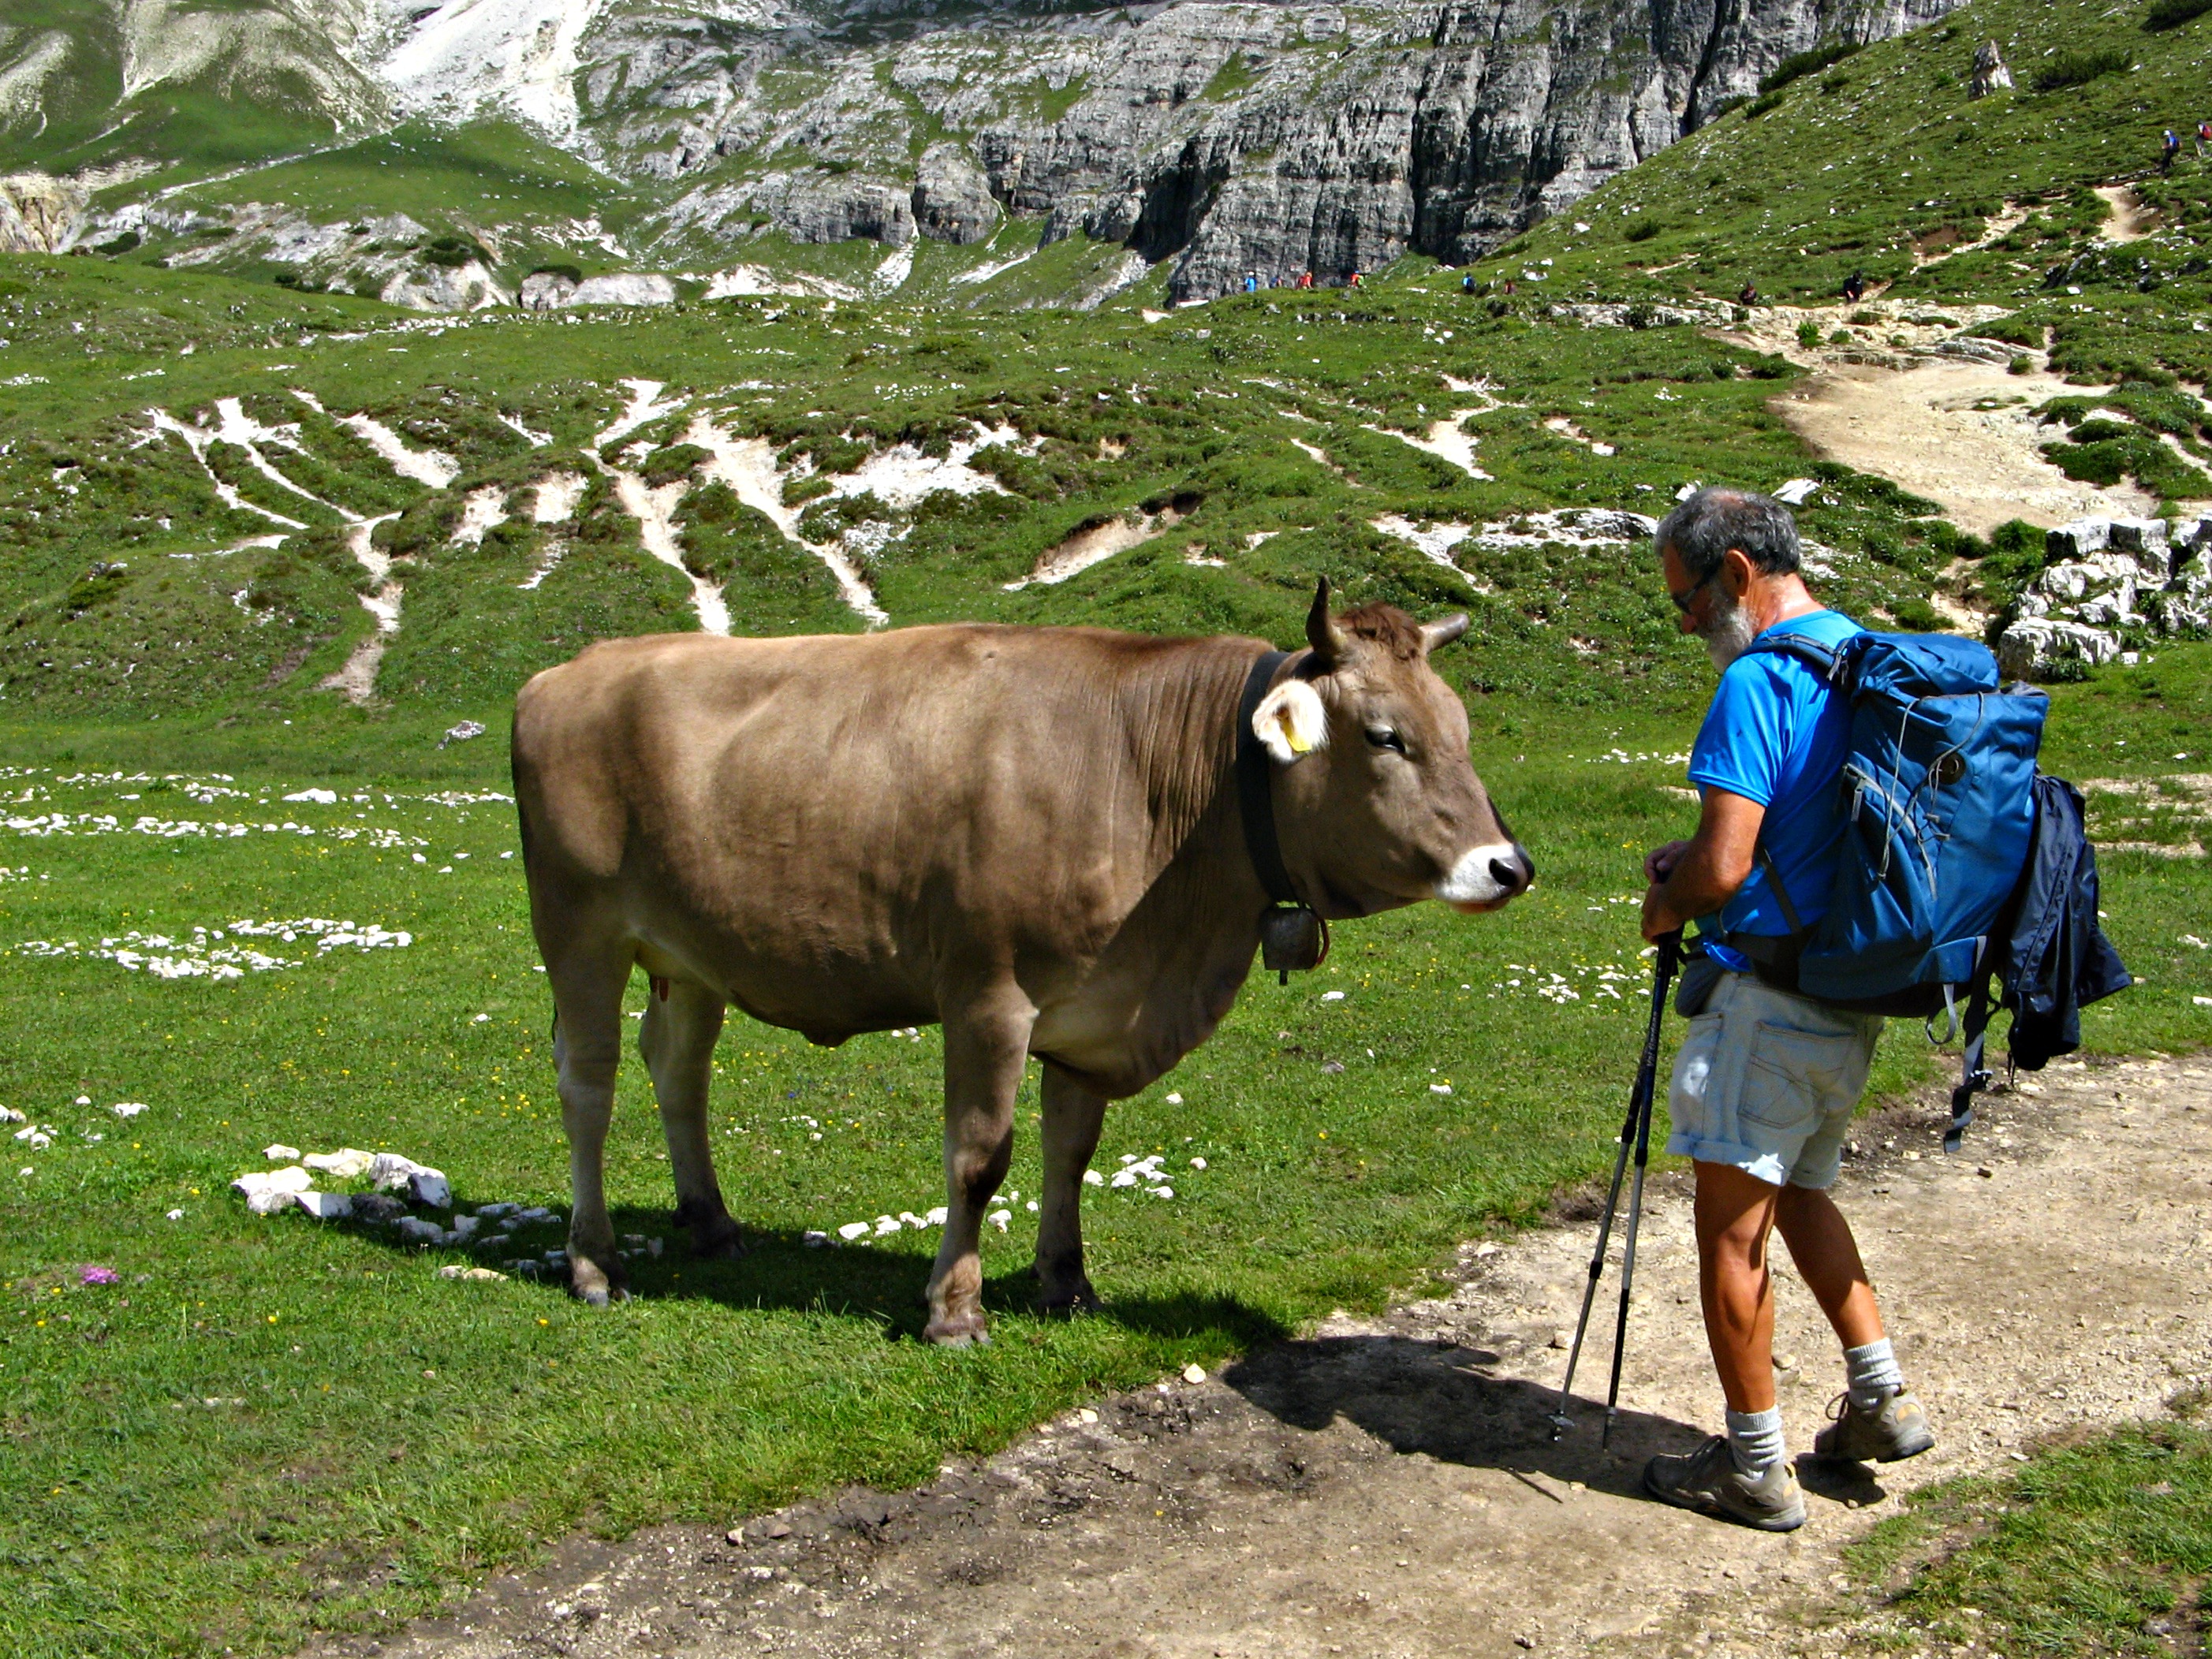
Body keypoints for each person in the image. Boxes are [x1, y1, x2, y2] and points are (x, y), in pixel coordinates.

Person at [1636, 487, 1934, 1533]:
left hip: (1762, 1004)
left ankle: (1752, 1467)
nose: (1682, 626)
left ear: (1733, 574)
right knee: (1803, 1197)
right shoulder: (1863, 659)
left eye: (1683, 601)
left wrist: (1665, 901)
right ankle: (1877, 1398)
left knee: (1732, 1234)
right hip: (1850, 990)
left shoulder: (1758, 681)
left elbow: (1720, 870)